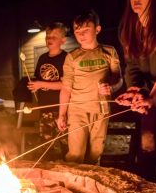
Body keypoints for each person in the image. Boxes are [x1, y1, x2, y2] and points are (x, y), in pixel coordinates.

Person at [56, 9, 123, 164]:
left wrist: (111, 87)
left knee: (96, 152)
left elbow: (119, 78)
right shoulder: (72, 57)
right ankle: (71, 183)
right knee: (76, 153)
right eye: (77, 31)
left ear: (97, 29)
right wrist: (62, 114)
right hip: (78, 111)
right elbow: (66, 88)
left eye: (86, 30)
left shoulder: (109, 51)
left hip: (101, 110)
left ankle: (90, 185)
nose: (81, 35)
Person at [116, 0, 156, 182]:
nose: (137, 0)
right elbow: (132, 65)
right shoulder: (131, 30)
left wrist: (153, 97)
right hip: (151, 103)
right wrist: (136, 90)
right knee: (147, 148)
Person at [27, 22, 68, 160]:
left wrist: (40, 83)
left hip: (61, 109)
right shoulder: (42, 58)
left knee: (66, 145)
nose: (49, 39)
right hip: (45, 110)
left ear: (63, 40)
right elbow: (39, 80)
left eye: (54, 37)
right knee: (45, 146)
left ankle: (69, 171)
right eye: (47, 37)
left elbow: (65, 85)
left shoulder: (66, 59)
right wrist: (34, 86)